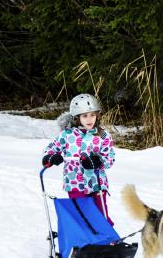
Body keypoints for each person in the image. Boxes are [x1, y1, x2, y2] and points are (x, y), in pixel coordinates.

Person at [42, 93, 116, 224]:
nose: (89, 119)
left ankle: (108, 240)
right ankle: (84, 241)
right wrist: (51, 156)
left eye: (92, 115)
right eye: (85, 116)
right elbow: (52, 148)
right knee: (80, 213)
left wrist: (98, 161)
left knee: (100, 213)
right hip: (74, 183)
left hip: (97, 183)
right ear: (77, 117)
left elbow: (109, 157)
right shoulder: (67, 135)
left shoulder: (103, 136)